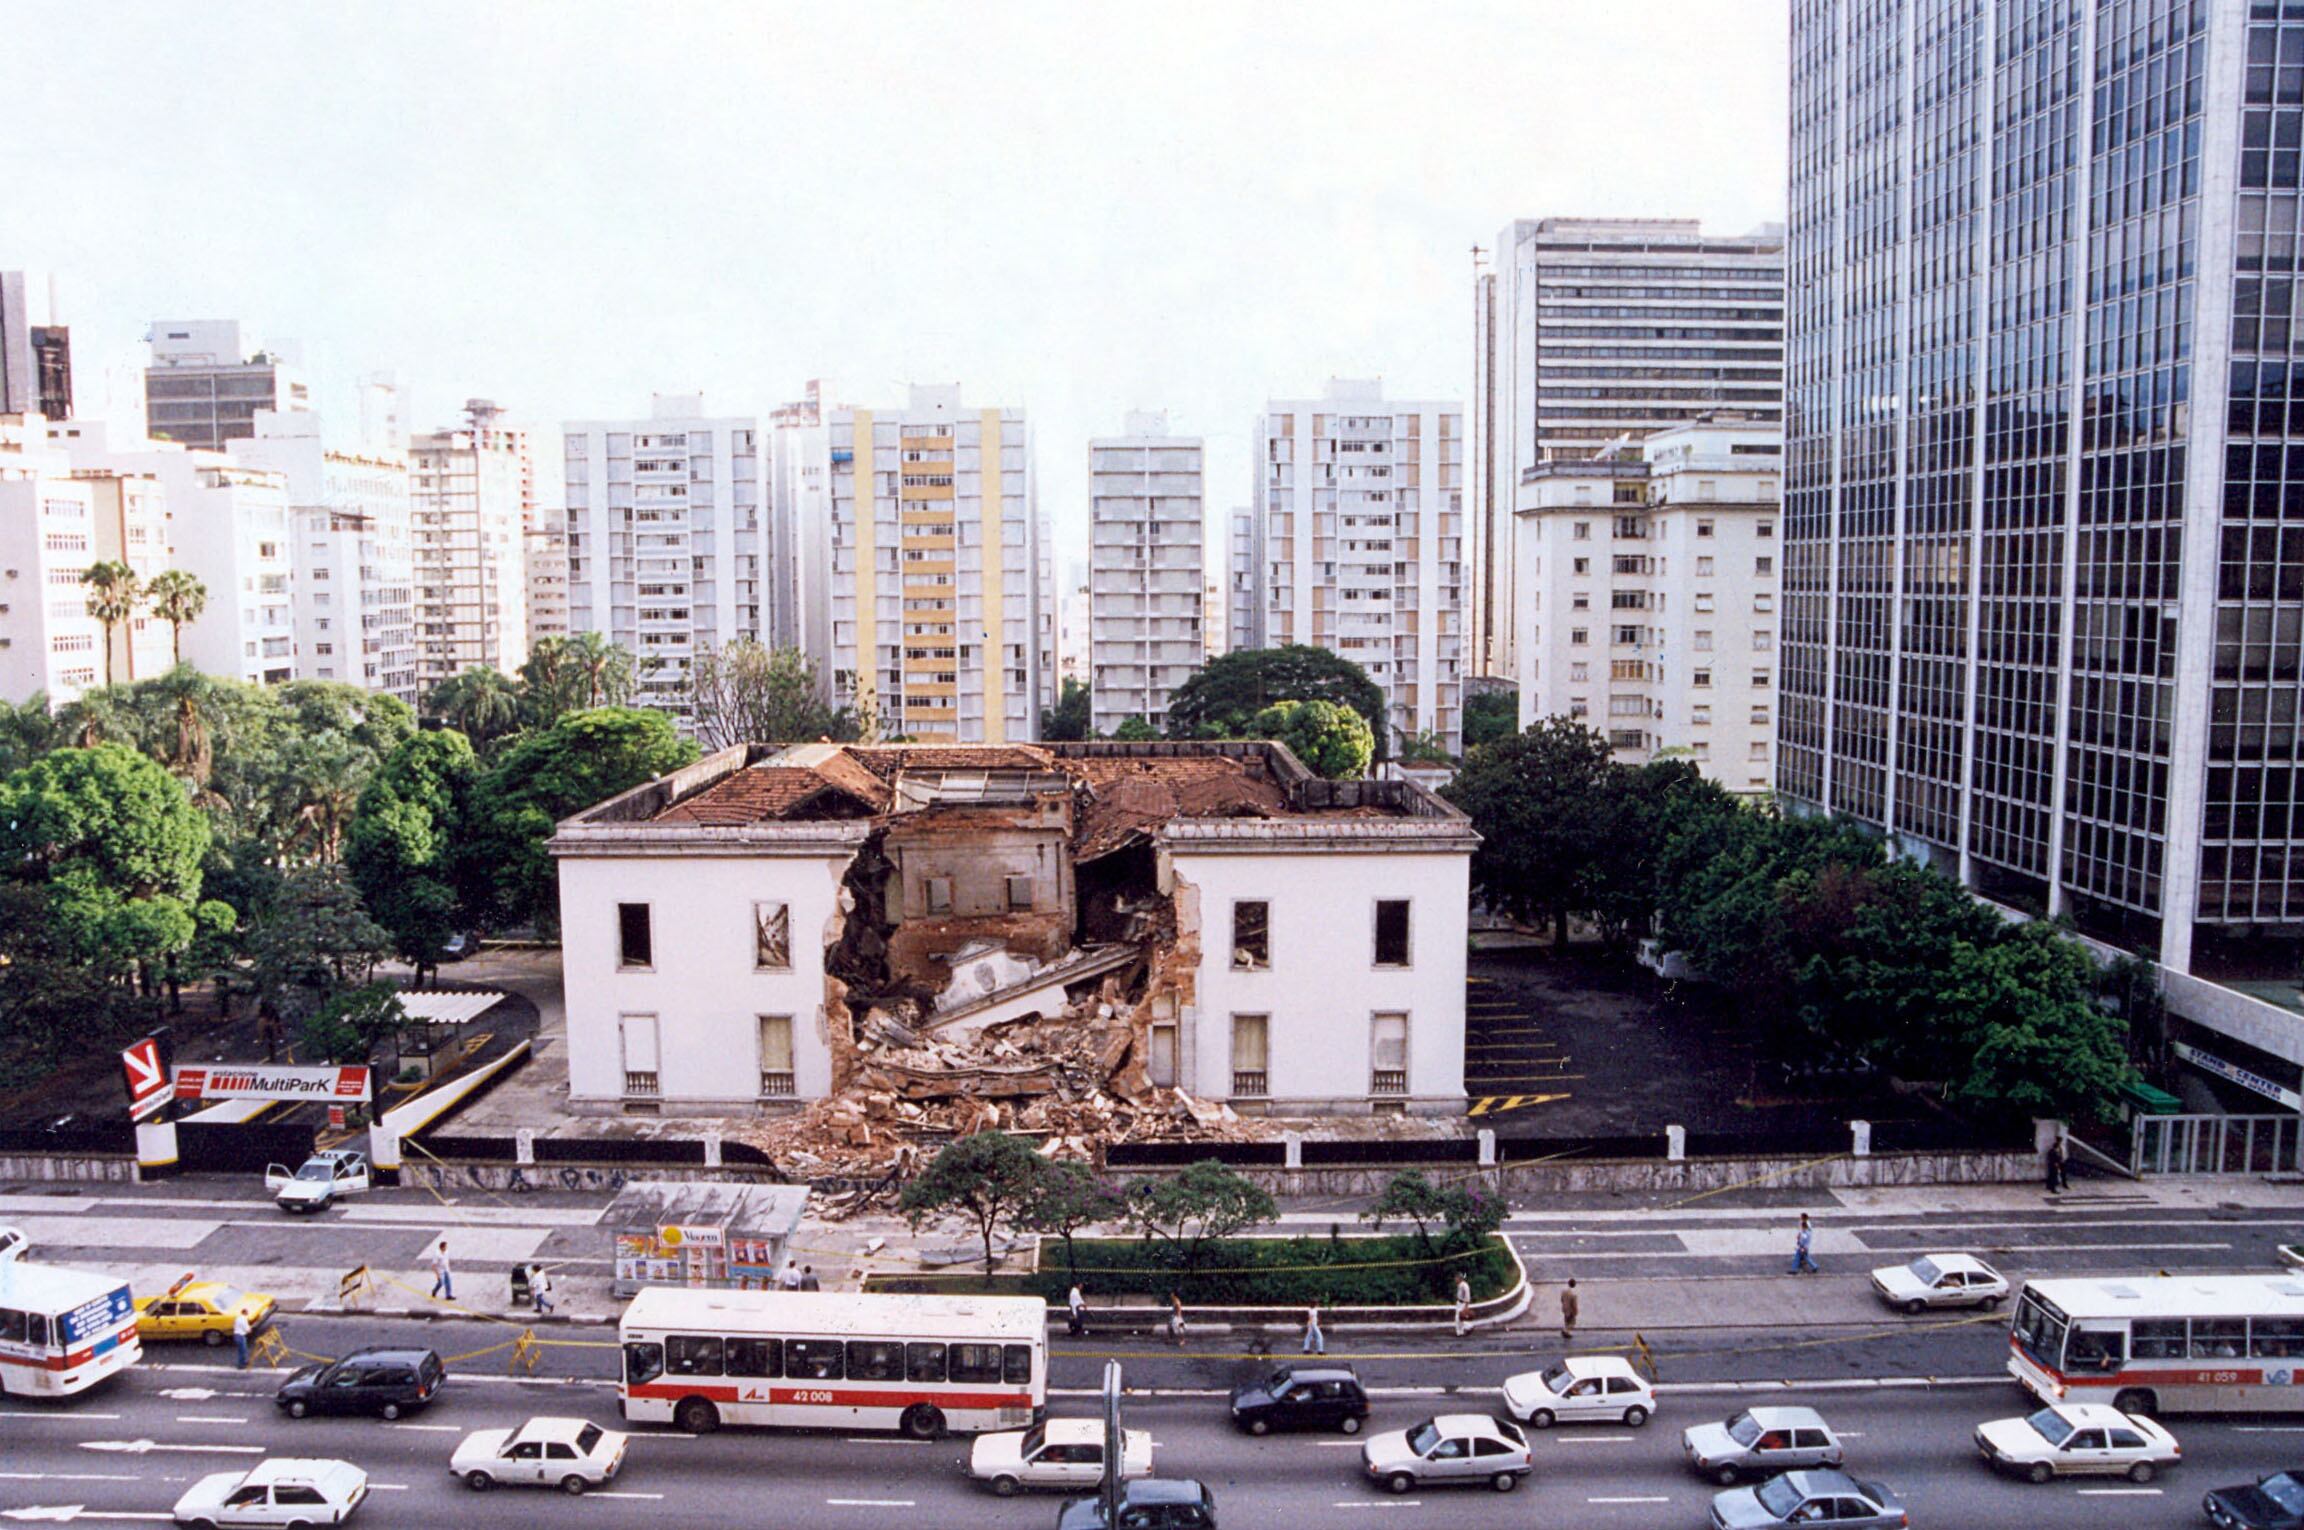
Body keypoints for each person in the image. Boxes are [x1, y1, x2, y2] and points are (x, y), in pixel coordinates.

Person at [1559, 1278, 1579, 1342]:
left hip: (1564, 1308)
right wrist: (1576, 1311)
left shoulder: (1564, 1291)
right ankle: (1565, 1330)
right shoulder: (1573, 1294)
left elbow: (1562, 1299)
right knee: (1572, 1323)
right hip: (1570, 1310)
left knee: (1566, 1321)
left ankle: (1567, 1332)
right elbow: (1574, 1304)